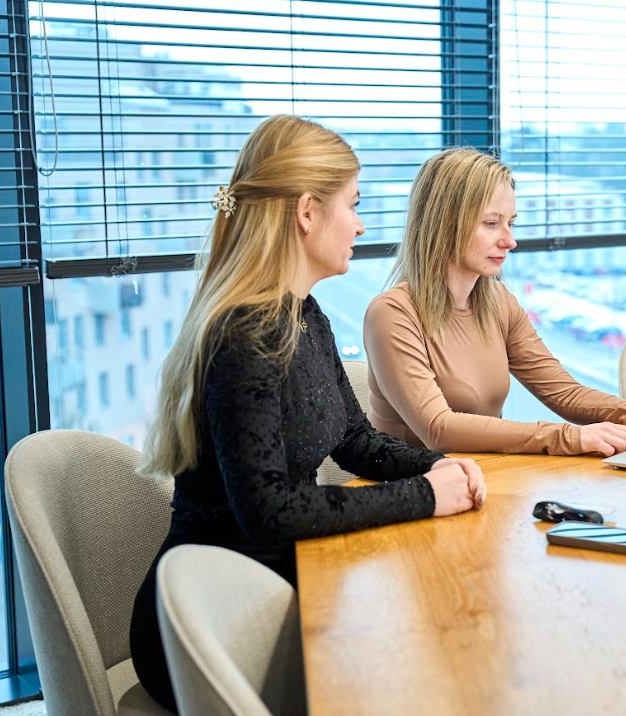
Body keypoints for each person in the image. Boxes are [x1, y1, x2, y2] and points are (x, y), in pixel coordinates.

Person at [130, 116, 486, 711]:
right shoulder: (242, 334)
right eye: (353, 204)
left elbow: (355, 440)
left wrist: (444, 466)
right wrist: (426, 494)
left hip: (278, 581)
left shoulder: (305, 317)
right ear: (306, 212)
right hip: (213, 620)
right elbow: (270, 510)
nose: (362, 223)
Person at [363, 147, 626, 457]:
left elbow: (564, 392)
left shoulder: (497, 303)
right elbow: (438, 429)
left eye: (511, 223)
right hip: (414, 494)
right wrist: (567, 438)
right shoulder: (393, 315)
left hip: (481, 482)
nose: (509, 241)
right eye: (491, 223)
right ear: (445, 223)